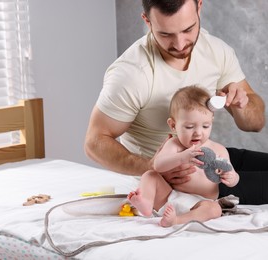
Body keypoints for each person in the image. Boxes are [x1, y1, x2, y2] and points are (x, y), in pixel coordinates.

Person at [84, 0, 267, 205]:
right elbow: (94, 142)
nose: (180, 44)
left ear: (199, 6)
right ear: (148, 21)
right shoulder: (131, 74)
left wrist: (240, 105)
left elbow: (255, 123)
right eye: (165, 34)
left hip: (209, 157)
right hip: (182, 180)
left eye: (188, 29)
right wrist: (152, 166)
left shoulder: (216, 51)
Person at [127, 85, 239, 227]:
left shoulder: (219, 150)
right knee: (149, 175)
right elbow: (158, 165)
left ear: (212, 121)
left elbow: (234, 176)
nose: (198, 132)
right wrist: (182, 157)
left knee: (214, 209)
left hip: (200, 203)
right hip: (170, 197)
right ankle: (146, 204)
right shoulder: (174, 145)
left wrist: (232, 178)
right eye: (189, 127)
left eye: (205, 126)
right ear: (173, 125)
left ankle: (178, 220)